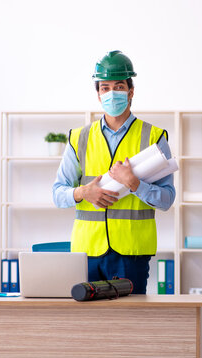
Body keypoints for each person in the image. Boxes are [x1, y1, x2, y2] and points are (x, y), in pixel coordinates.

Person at [52, 50, 175, 294]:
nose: (111, 93)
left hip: (132, 254)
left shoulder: (154, 138)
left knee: (127, 327)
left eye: (118, 86)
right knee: (88, 328)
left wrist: (135, 183)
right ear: (98, 94)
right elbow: (57, 193)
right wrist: (82, 193)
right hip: (87, 253)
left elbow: (166, 200)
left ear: (131, 91)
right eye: (105, 88)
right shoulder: (79, 138)